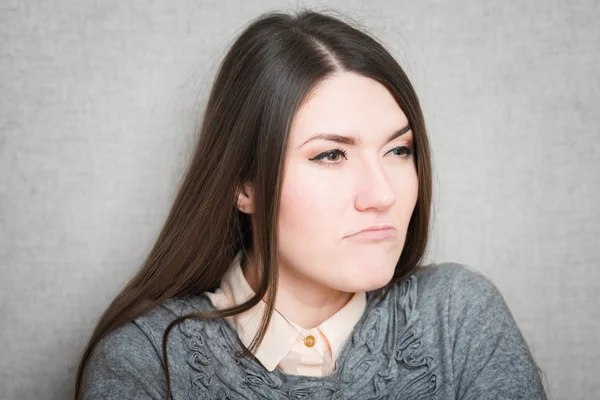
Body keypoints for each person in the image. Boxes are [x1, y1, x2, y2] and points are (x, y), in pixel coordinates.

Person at [75, 9, 548, 400]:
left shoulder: (457, 316)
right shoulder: (148, 362)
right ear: (244, 185)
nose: (382, 194)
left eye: (399, 150)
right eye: (331, 155)